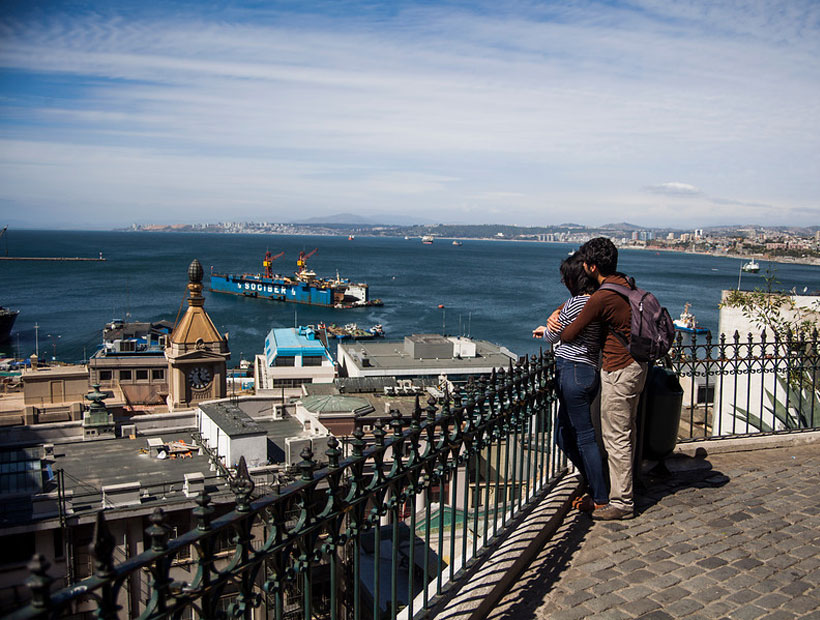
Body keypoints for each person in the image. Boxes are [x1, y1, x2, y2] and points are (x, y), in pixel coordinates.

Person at [547, 237, 648, 521]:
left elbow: (566, 333)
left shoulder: (602, 296)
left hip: (619, 368)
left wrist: (558, 317)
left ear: (592, 267)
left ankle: (618, 501)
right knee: (625, 432)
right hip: (635, 366)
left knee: (614, 437)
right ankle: (622, 486)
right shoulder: (625, 284)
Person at [533, 253, 608, 512]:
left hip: (573, 371)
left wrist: (549, 325)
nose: (563, 281)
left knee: (582, 438)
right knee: (563, 436)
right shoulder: (593, 301)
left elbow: (553, 335)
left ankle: (599, 495)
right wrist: (554, 322)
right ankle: (593, 481)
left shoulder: (578, 303)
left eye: (565, 277)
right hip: (585, 371)